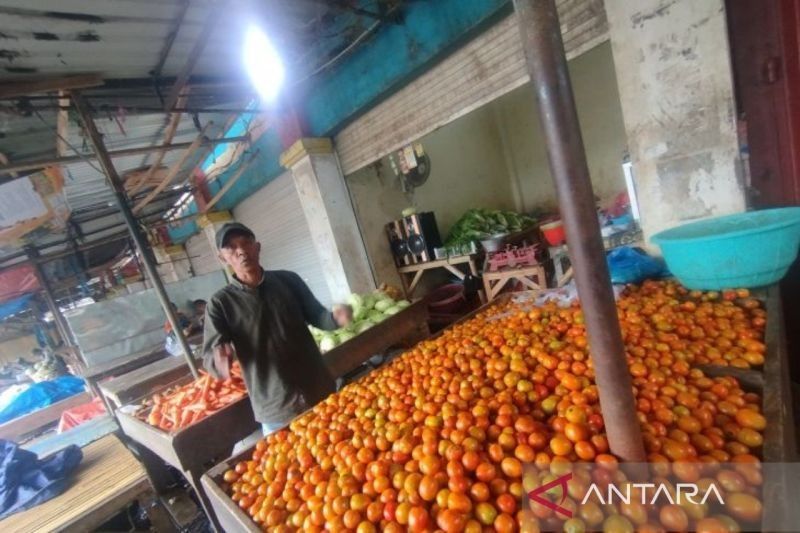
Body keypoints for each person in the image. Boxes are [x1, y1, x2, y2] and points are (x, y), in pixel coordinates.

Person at [201, 223, 352, 434]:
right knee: (289, 465)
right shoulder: (220, 304)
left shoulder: (288, 280)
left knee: (341, 449)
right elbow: (210, 359)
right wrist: (220, 360)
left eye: (246, 243)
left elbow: (318, 316)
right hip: (275, 406)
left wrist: (335, 319)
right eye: (231, 248)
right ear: (222, 258)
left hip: (317, 388)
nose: (241, 251)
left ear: (258, 247)